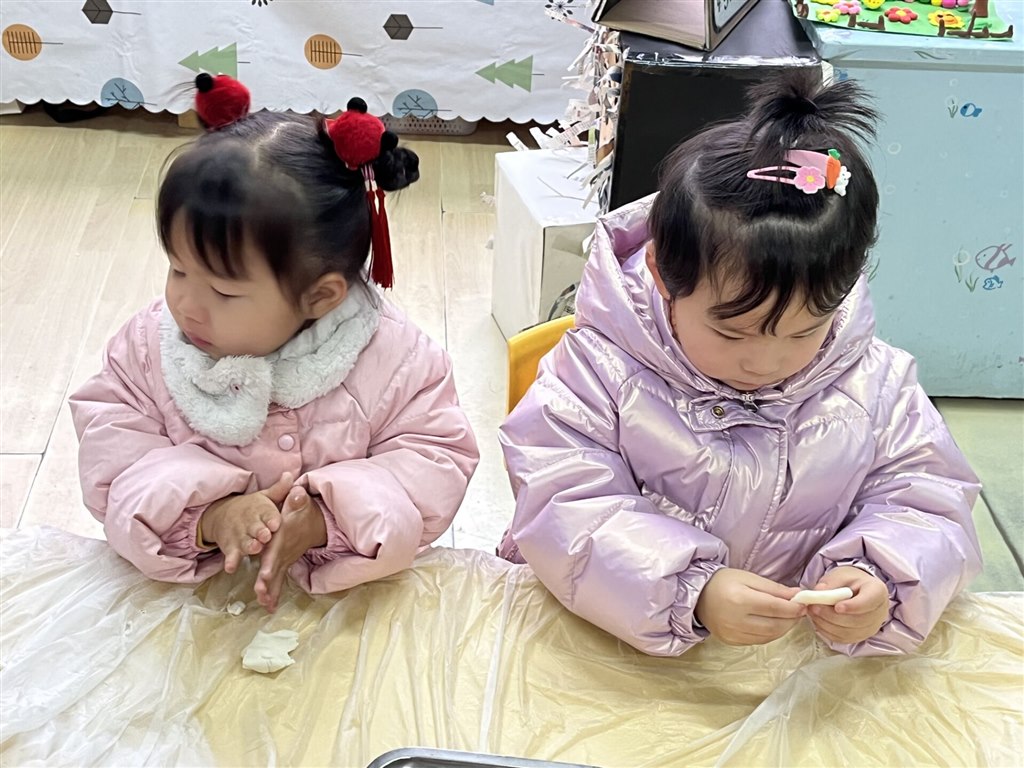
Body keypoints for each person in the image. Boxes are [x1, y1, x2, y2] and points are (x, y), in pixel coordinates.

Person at [498, 71, 982, 657]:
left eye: (804, 330)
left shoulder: (877, 384)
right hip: (610, 634)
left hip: (784, 655)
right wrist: (688, 588)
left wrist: (882, 575)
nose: (765, 361)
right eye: (732, 331)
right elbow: (563, 502)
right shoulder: (596, 371)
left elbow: (926, 498)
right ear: (662, 274)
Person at [72, 74, 479, 612]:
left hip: (345, 595)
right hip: (187, 592)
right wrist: (209, 516)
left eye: (223, 290)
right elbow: (113, 454)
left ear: (320, 297)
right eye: (177, 270)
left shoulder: (394, 361)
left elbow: (433, 462)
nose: (186, 304)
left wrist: (324, 521)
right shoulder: (151, 350)